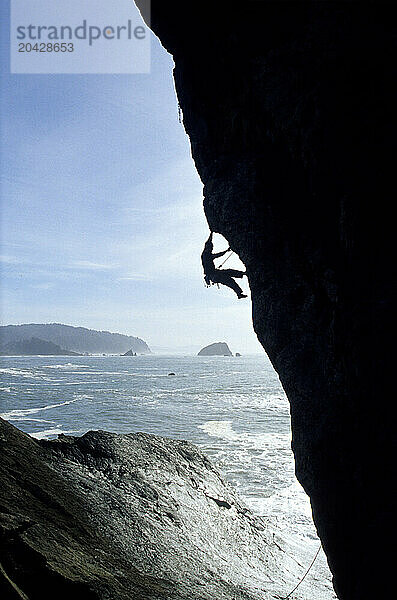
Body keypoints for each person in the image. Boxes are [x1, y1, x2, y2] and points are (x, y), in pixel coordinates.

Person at [201, 232, 247, 299]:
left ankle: (240, 289)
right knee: (229, 280)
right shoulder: (206, 255)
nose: (211, 250)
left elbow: (208, 242)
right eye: (211, 249)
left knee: (229, 273)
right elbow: (218, 254)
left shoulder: (205, 254)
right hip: (214, 275)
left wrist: (211, 234)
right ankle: (239, 291)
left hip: (214, 273)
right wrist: (226, 251)